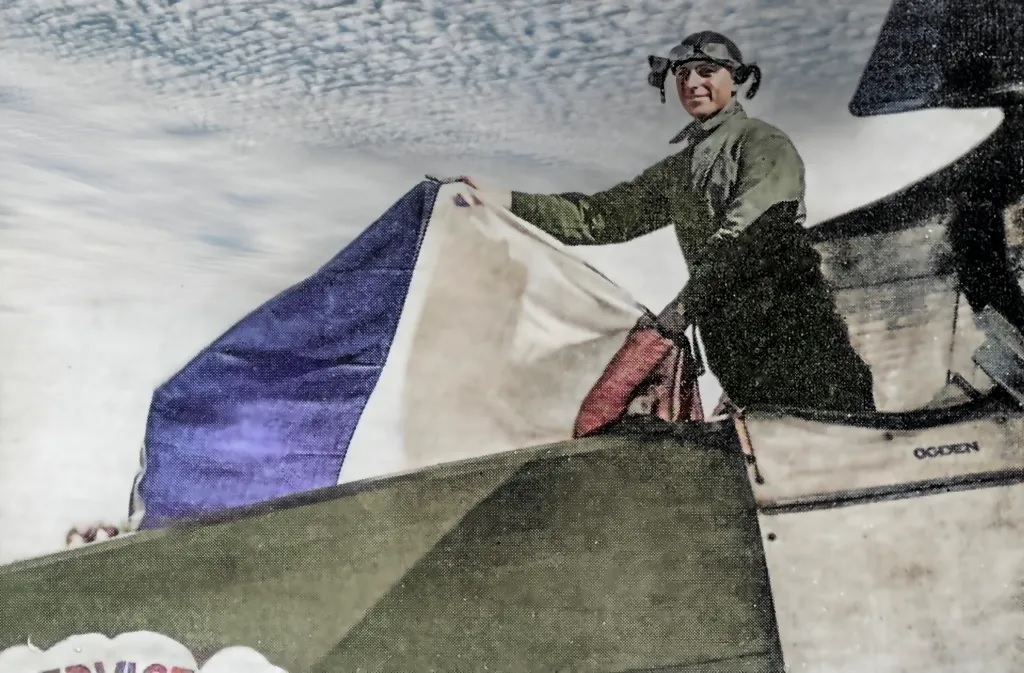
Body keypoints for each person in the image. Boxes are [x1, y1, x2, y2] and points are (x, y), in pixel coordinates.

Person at [459, 31, 875, 414]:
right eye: (683, 74)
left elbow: (751, 237)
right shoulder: (679, 171)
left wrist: (680, 310)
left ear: (737, 79)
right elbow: (600, 218)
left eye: (707, 71)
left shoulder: (762, 142)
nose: (692, 83)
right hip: (734, 347)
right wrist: (505, 200)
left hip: (795, 335)